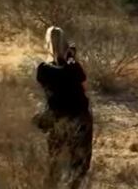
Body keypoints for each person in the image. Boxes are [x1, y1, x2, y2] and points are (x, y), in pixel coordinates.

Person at [35, 26, 93, 189]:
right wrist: (71, 59)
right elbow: (84, 86)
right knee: (79, 165)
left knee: (54, 162)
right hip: (79, 118)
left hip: (57, 118)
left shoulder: (43, 69)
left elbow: (49, 83)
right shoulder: (74, 68)